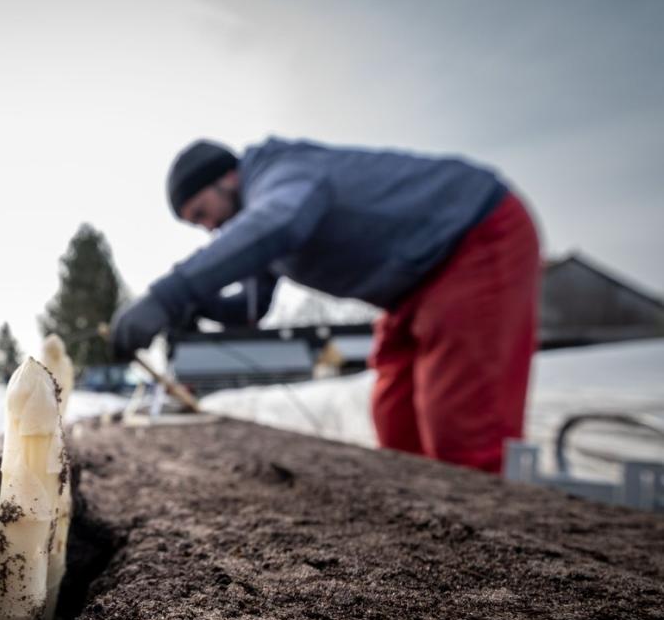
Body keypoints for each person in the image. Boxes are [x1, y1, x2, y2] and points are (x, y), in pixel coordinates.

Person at [110, 137, 540, 473]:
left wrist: (169, 295)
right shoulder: (266, 217)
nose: (210, 228)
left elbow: (279, 223)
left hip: (472, 238)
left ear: (227, 178)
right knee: (396, 413)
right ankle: (432, 531)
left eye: (203, 212)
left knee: (461, 423)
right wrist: (197, 308)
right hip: (411, 288)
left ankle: (494, 561)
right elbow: (252, 308)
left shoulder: (284, 173)